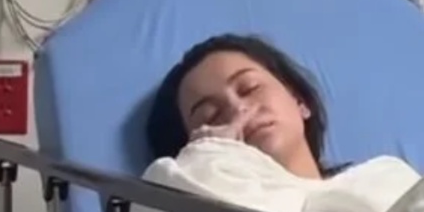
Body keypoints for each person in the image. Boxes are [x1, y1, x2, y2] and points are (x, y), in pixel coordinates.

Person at [146, 33, 350, 180]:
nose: (238, 109)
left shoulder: (366, 187)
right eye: (212, 116)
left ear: (299, 100)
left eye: (250, 88)